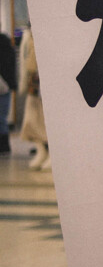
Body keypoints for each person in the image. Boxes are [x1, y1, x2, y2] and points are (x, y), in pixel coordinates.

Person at [18, 29, 48, 171]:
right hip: (35, 81)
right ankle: (42, 150)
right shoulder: (29, 34)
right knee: (32, 120)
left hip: (45, 81)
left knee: (43, 120)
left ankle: (48, 153)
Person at [0, 32, 14, 156]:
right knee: (2, 117)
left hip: (3, 85)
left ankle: (4, 146)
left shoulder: (3, 42)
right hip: (6, 84)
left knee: (1, 117)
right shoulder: (6, 42)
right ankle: (4, 146)